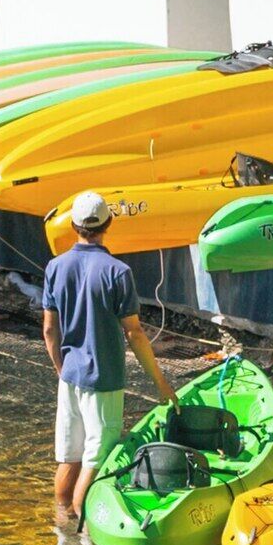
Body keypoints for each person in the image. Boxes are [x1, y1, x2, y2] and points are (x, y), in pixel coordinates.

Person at [41, 192, 173, 524]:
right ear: (108, 224)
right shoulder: (118, 272)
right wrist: (161, 384)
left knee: (69, 459)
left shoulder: (55, 267)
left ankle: (62, 529)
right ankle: (83, 538)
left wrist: (62, 370)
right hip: (104, 379)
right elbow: (134, 333)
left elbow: (48, 330)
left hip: (69, 377)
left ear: (72, 225)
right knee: (96, 461)